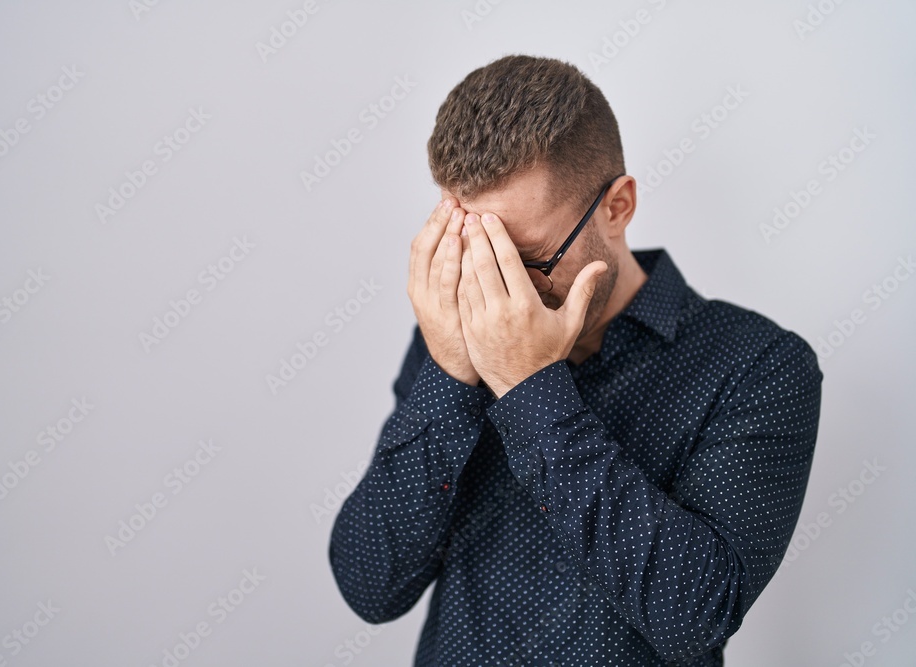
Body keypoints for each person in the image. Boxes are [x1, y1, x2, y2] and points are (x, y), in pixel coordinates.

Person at [328, 54, 823, 666]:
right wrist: (451, 372)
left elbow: (694, 616)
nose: (497, 288)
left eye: (524, 257)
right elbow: (370, 586)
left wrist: (529, 388)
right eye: (475, 250)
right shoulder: (458, 336)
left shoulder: (759, 367)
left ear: (617, 207)